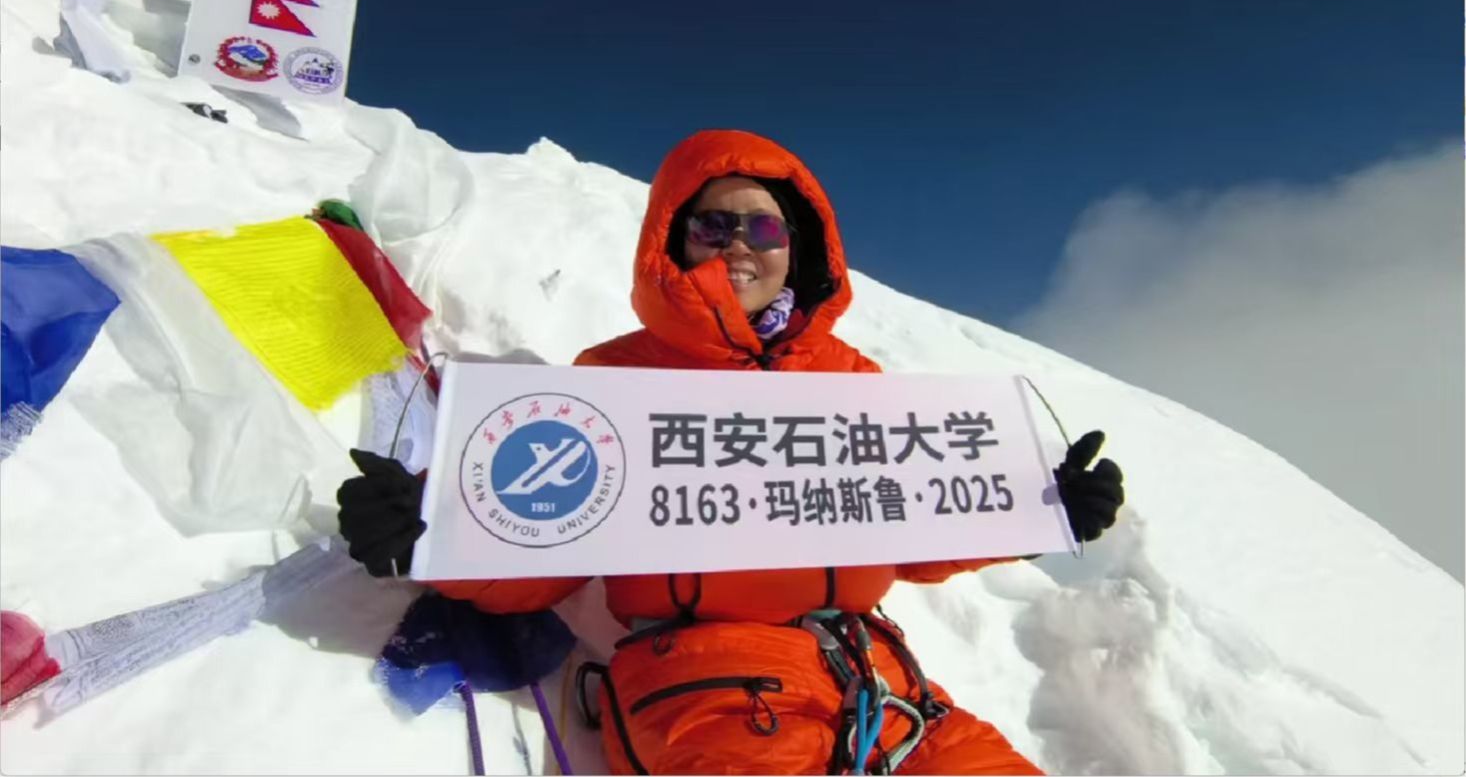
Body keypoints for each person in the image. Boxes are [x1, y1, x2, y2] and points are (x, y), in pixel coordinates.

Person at [338, 129, 1125, 774]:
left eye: (764, 227)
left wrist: (1031, 504)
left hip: (882, 687)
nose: (739, 244)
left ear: (798, 246)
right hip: (704, 688)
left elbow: (906, 521)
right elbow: (550, 539)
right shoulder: (619, 376)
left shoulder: (852, 377)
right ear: (673, 240)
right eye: (712, 225)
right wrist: (433, 532)